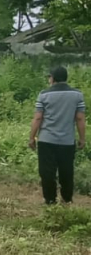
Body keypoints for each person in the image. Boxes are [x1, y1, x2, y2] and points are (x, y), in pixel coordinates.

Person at [29, 66, 86, 205]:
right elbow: (80, 118)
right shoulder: (77, 95)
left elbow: (38, 118)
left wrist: (32, 137)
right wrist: (82, 138)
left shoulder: (44, 95)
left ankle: (50, 200)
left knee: (47, 171)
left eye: (49, 77)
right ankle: (67, 199)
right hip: (67, 140)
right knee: (66, 170)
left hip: (47, 140)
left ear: (52, 78)